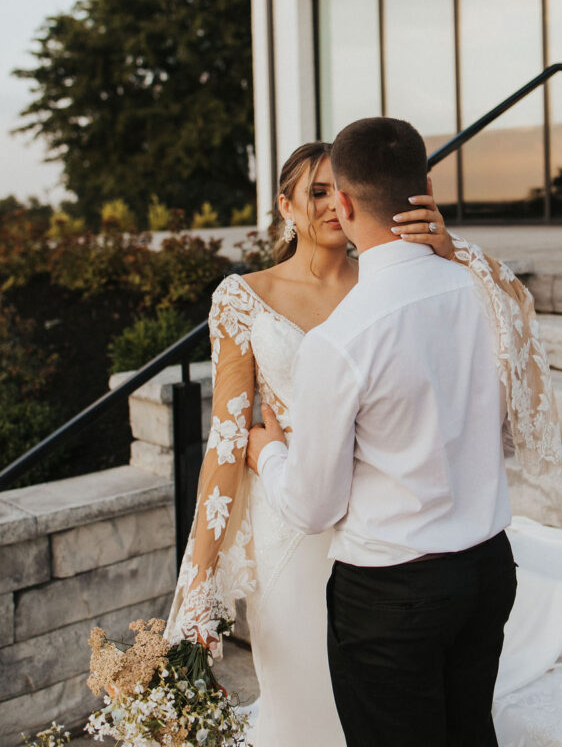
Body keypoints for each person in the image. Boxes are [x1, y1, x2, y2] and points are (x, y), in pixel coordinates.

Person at [247, 117, 547, 746]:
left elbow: (313, 506)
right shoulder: (487, 291)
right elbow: (517, 417)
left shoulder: (342, 339)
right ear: (426, 187)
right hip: (488, 569)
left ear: (348, 204)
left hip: (391, 594)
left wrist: (269, 452)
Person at [164, 137, 471, 746]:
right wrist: (199, 576)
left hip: (382, 516)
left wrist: (451, 254)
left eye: (342, 190)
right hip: (290, 525)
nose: (335, 204)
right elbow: (229, 437)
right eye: (318, 191)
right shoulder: (244, 297)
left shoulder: (390, 282)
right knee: (304, 689)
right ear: (287, 205)